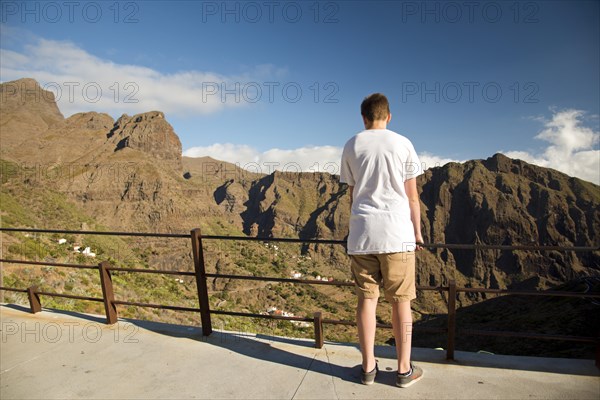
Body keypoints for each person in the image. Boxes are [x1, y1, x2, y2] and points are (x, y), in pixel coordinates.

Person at [340, 93, 424, 388]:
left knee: (367, 300)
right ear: (388, 117)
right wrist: (417, 233)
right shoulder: (403, 144)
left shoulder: (351, 144)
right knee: (401, 303)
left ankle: (367, 368)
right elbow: (412, 196)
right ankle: (403, 371)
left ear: (364, 118)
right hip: (397, 234)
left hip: (362, 234)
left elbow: (352, 194)